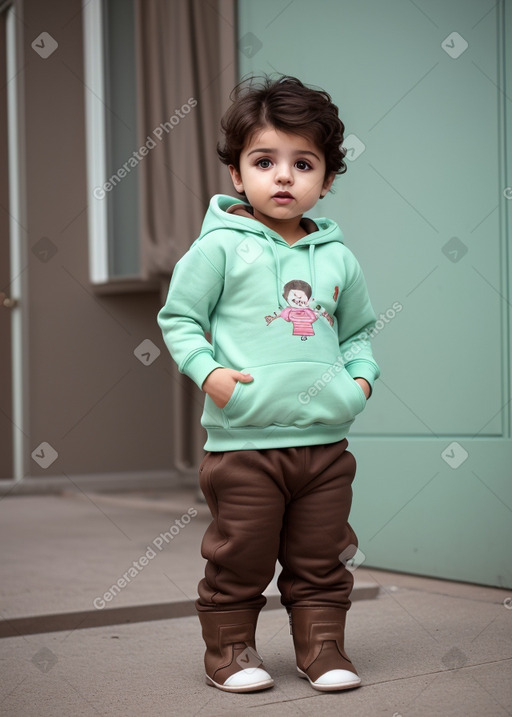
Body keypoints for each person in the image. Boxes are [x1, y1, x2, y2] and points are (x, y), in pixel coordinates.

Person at [157, 75, 380, 694]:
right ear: (237, 174)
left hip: (325, 444)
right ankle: (230, 651)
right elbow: (179, 320)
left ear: (327, 179)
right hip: (244, 445)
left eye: (302, 163)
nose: (283, 176)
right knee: (242, 552)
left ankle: (323, 649)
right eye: (264, 161)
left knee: (322, 553)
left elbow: (360, 331)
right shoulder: (218, 248)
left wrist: (359, 381)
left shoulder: (337, 257)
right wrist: (210, 373)